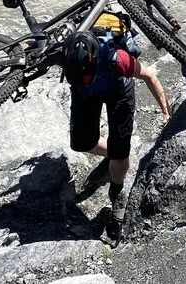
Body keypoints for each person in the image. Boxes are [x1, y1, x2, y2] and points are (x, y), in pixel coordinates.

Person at [64, 15, 171, 238]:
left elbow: (150, 76)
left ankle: (117, 190)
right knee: (82, 143)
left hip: (118, 92)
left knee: (120, 151)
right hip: (85, 94)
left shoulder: (117, 59)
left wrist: (164, 109)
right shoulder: (65, 52)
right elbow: (33, 52)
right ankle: (111, 157)